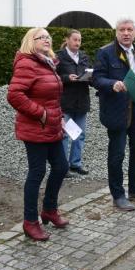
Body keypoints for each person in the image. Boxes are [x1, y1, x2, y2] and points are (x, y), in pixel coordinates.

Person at [6, 28, 70, 241]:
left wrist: (57, 116)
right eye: (41, 37)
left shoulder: (48, 63)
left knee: (61, 167)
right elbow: (14, 95)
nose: (46, 39)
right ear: (30, 41)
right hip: (35, 128)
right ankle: (30, 222)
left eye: (48, 37)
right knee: (37, 172)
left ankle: (49, 211)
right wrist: (41, 114)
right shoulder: (27, 63)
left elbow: (51, 97)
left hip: (52, 126)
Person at [93, 17, 135, 211]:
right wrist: (111, 84)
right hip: (117, 111)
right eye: (122, 29)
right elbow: (96, 78)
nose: (126, 33)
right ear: (116, 32)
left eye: (130, 29)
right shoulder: (105, 52)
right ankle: (118, 195)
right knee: (117, 154)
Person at [56, 29, 91, 175]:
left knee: (79, 134)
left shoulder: (84, 56)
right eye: (75, 39)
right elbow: (53, 76)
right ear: (68, 40)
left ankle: (75, 164)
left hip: (82, 101)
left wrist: (90, 77)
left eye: (79, 40)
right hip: (65, 102)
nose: (77, 43)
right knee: (64, 134)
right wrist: (66, 78)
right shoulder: (58, 56)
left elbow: (90, 72)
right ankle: (63, 167)